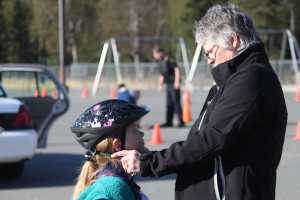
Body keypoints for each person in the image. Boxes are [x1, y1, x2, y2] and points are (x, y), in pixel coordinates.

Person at [112, 4, 288, 200]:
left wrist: (150, 162)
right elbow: (202, 139)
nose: (209, 60)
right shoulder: (233, 79)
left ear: (233, 40)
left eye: (209, 52)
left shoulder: (251, 79)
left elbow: (211, 139)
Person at [70, 99, 149, 200]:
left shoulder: (116, 183)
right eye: (134, 129)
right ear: (117, 145)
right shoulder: (111, 188)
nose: (141, 133)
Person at [152, 46, 185, 128]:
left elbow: (176, 70)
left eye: (155, 54)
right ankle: (169, 122)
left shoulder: (169, 59)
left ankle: (181, 121)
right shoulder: (161, 61)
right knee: (169, 104)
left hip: (173, 83)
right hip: (168, 84)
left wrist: (177, 82)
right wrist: (160, 85)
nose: (154, 56)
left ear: (160, 53)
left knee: (176, 103)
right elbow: (162, 74)